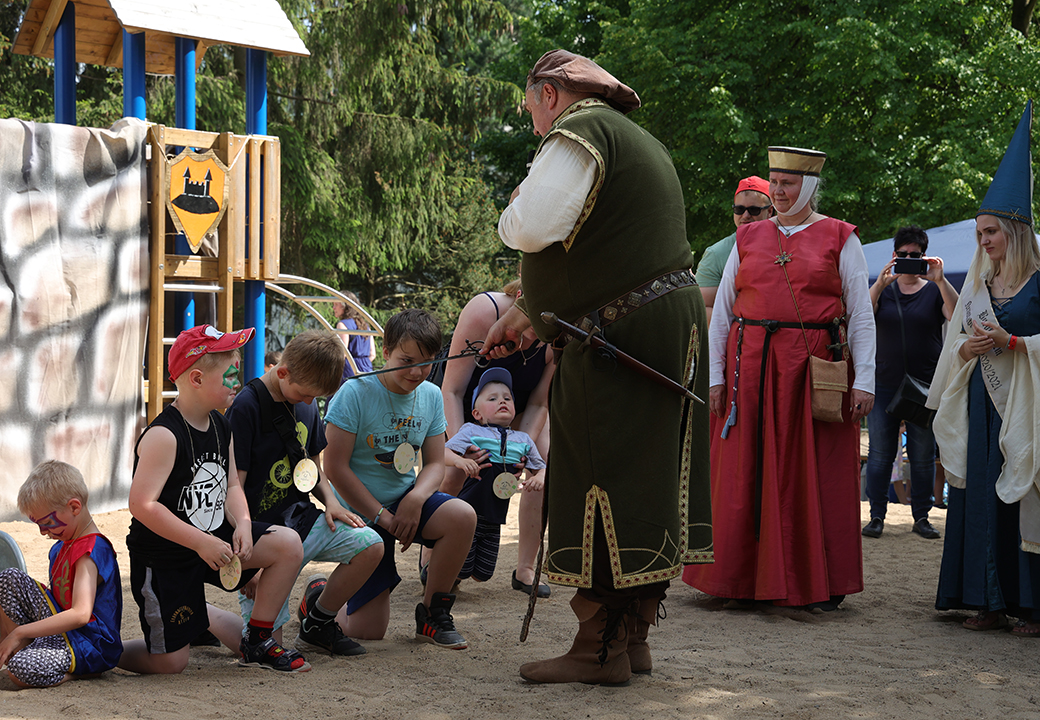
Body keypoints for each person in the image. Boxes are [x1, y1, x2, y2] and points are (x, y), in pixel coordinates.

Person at [486, 49, 711, 685]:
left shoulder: (580, 130)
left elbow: (531, 225)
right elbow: (607, 255)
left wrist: (515, 202)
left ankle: (599, 647)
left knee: (603, 472)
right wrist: (534, 310)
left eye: (530, 104)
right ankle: (633, 637)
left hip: (623, 340)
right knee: (646, 478)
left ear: (551, 93)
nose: (532, 122)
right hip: (653, 325)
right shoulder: (635, 140)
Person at [683, 146, 875, 611]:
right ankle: (737, 580)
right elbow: (723, 314)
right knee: (743, 470)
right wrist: (713, 377)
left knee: (815, 472)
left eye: (788, 184)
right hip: (748, 370)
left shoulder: (839, 237)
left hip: (811, 371)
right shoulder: (748, 238)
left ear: (807, 186)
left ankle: (821, 581)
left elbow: (862, 312)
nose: (780, 192)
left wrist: (864, 379)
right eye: (776, 183)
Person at [119, 324, 311, 674]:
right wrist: (201, 543)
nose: (239, 380)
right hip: (167, 557)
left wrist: (245, 523)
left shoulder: (223, 426)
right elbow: (142, 505)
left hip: (211, 542)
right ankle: (104, 650)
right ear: (196, 379)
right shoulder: (164, 435)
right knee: (171, 664)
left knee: (287, 545)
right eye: (231, 373)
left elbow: (232, 487)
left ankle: (258, 639)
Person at [929, 102, 1040, 636]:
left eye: (991, 232)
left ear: (1015, 232)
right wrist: (968, 352)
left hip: (1026, 404)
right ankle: (985, 598)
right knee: (978, 493)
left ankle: (1031, 605)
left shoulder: (1039, 283)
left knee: (1026, 494)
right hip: (982, 401)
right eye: (979, 233)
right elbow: (955, 345)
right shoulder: (977, 284)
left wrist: (1014, 341)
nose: (984, 241)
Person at [323, 309, 477, 649]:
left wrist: (416, 498)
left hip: (404, 504)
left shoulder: (431, 396)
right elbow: (334, 467)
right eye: (406, 360)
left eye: (427, 362)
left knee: (462, 516)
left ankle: (433, 613)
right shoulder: (355, 392)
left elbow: (436, 463)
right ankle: (320, 596)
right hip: (360, 513)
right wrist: (381, 516)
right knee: (367, 631)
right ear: (387, 349)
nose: (417, 372)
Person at [226, 330, 383, 656]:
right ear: (282, 372)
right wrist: (247, 568)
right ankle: (206, 621)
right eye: (305, 395)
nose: (310, 403)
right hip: (262, 536)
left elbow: (313, 466)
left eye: (317, 397)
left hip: (301, 519)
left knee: (370, 545)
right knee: (267, 646)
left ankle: (319, 622)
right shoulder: (246, 407)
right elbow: (233, 487)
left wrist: (332, 503)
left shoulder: (306, 404)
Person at [438, 278, 554, 597]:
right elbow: (452, 389)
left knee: (545, 465)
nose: (535, 337)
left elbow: (539, 402)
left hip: (517, 408)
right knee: (455, 469)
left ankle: (526, 568)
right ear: (519, 301)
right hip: (466, 401)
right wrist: (467, 446)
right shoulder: (483, 312)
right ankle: (434, 555)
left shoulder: (556, 336)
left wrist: (516, 451)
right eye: (531, 324)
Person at [862, 225, 957, 540]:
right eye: (902, 255)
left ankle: (922, 517)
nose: (907, 260)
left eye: (914, 256)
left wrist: (941, 280)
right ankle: (876, 516)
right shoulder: (883, 290)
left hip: (925, 386)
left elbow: (957, 317)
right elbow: (862, 314)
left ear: (924, 257)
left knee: (922, 453)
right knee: (880, 453)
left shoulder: (933, 290)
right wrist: (879, 283)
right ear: (893, 255)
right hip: (884, 383)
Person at [0, 461, 122, 688]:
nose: (43, 531)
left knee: (19, 671)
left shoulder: (91, 550)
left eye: (47, 522)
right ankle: (23, 647)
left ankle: (83, 672)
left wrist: (20, 631)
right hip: (62, 631)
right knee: (8, 578)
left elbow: (80, 615)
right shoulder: (61, 544)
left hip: (88, 642)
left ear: (74, 507)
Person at [445, 368, 546, 586]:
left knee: (483, 574)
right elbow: (442, 453)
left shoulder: (523, 439)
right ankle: (439, 571)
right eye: (492, 398)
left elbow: (543, 468)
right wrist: (460, 461)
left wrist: (540, 477)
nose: (502, 401)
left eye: (507, 398)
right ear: (477, 414)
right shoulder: (471, 431)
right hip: (467, 512)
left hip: (495, 516)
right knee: (460, 570)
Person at [697, 176, 774, 323]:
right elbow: (702, 308)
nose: (745, 216)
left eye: (754, 210)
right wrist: (747, 329)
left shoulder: (786, 247)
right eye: (739, 209)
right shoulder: (716, 254)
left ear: (770, 211)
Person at [334, 291, 377, 383]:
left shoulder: (342, 325)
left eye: (336, 304)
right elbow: (372, 354)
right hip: (367, 370)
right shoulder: (366, 326)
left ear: (344, 306)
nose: (333, 308)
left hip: (349, 371)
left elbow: (343, 353)